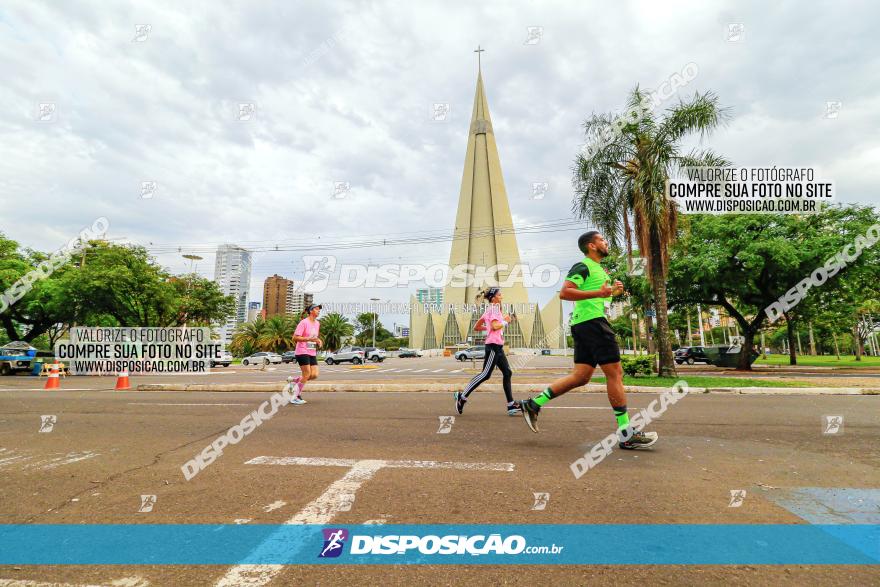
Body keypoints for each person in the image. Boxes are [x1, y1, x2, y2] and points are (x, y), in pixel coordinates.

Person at [520, 231, 659, 449]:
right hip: (593, 324)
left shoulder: (600, 269)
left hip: (585, 324)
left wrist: (612, 291)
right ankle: (626, 433)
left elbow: (598, 296)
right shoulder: (582, 266)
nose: (606, 242)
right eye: (602, 239)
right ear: (592, 246)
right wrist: (599, 293)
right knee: (615, 374)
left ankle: (533, 403)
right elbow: (565, 293)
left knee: (581, 376)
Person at [454, 287, 520, 416]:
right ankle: (462, 397)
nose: (501, 295)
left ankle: (511, 405)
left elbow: (476, 327)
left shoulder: (492, 310)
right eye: (499, 294)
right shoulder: (494, 309)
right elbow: (495, 326)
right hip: (493, 346)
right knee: (485, 374)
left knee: (507, 372)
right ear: (493, 298)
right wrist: (505, 322)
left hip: (498, 346)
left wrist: (489, 326)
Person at [290, 303, 323, 405]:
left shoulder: (317, 323)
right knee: (307, 374)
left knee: (314, 375)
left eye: (319, 309)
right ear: (311, 311)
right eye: (317, 309)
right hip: (302, 351)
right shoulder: (303, 323)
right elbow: (295, 337)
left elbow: (314, 337)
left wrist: (318, 340)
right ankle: (295, 396)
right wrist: (308, 339)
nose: (319, 311)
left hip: (311, 351)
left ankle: (295, 381)